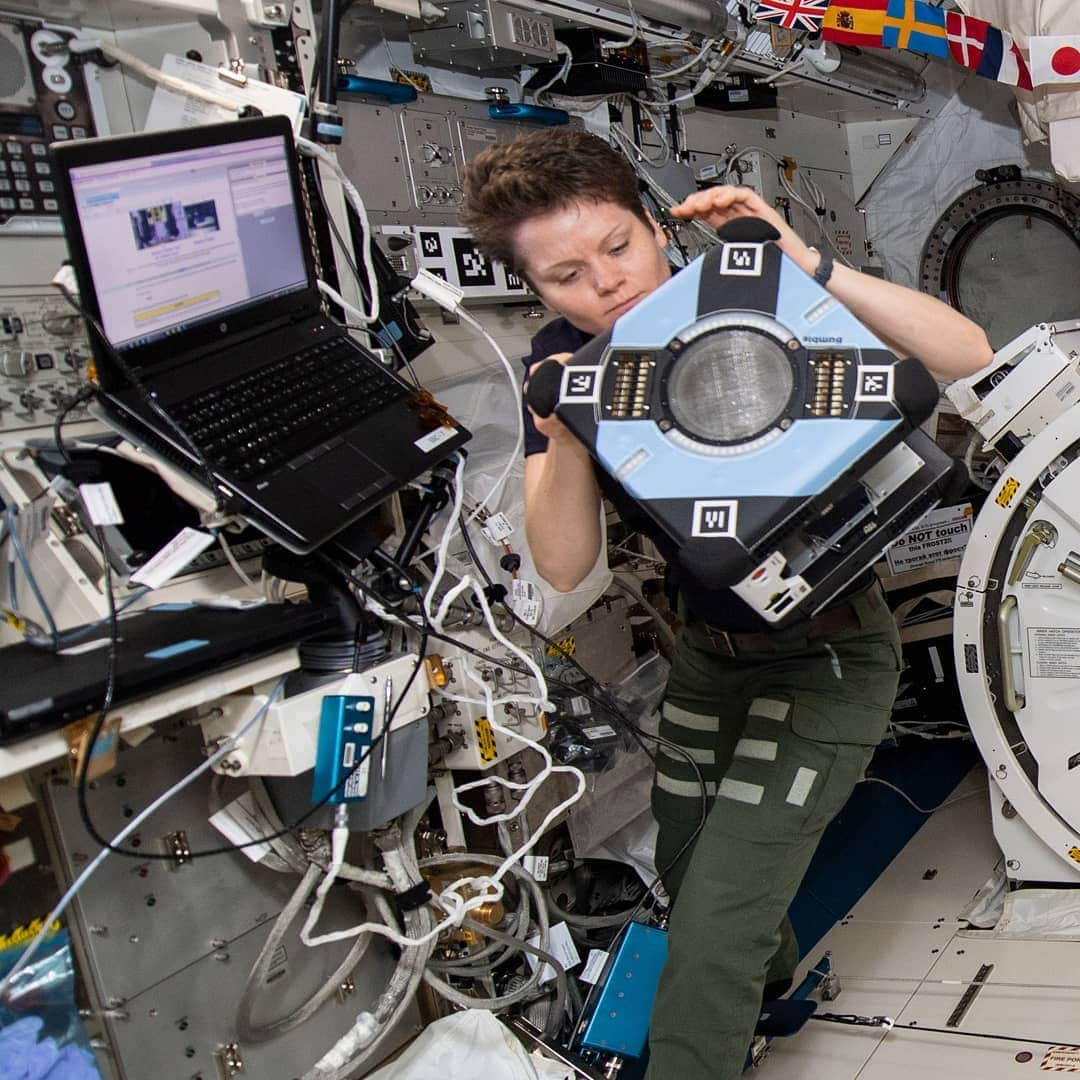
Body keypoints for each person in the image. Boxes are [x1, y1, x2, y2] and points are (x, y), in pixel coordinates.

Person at [460, 127, 993, 1079]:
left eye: (619, 247)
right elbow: (564, 559)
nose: (607, 285)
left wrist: (809, 263)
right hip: (710, 654)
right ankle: (770, 984)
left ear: (654, 223)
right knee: (688, 854)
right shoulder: (562, 364)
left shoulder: (746, 290)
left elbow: (967, 351)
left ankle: (716, 1010)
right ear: (532, 289)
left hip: (829, 654)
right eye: (565, 275)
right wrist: (564, 434)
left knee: (708, 934)